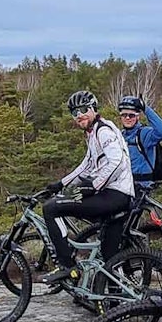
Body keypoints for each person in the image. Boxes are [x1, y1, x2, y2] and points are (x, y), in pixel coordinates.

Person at [39, 90, 135, 285]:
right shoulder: (92, 134)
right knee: (110, 260)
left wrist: (94, 185)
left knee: (51, 208)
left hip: (115, 194)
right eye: (75, 112)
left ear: (93, 110)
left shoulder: (103, 131)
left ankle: (67, 267)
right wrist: (61, 183)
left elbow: (117, 162)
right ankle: (115, 304)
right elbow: (87, 165)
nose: (79, 115)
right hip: (116, 195)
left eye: (84, 110)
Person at [117, 96, 162, 190]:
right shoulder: (120, 135)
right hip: (124, 185)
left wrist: (145, 108)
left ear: (138, 116)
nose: (127, 118)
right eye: (124, 115)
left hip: (142, 186)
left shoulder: (144, 134)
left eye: (131, 115)